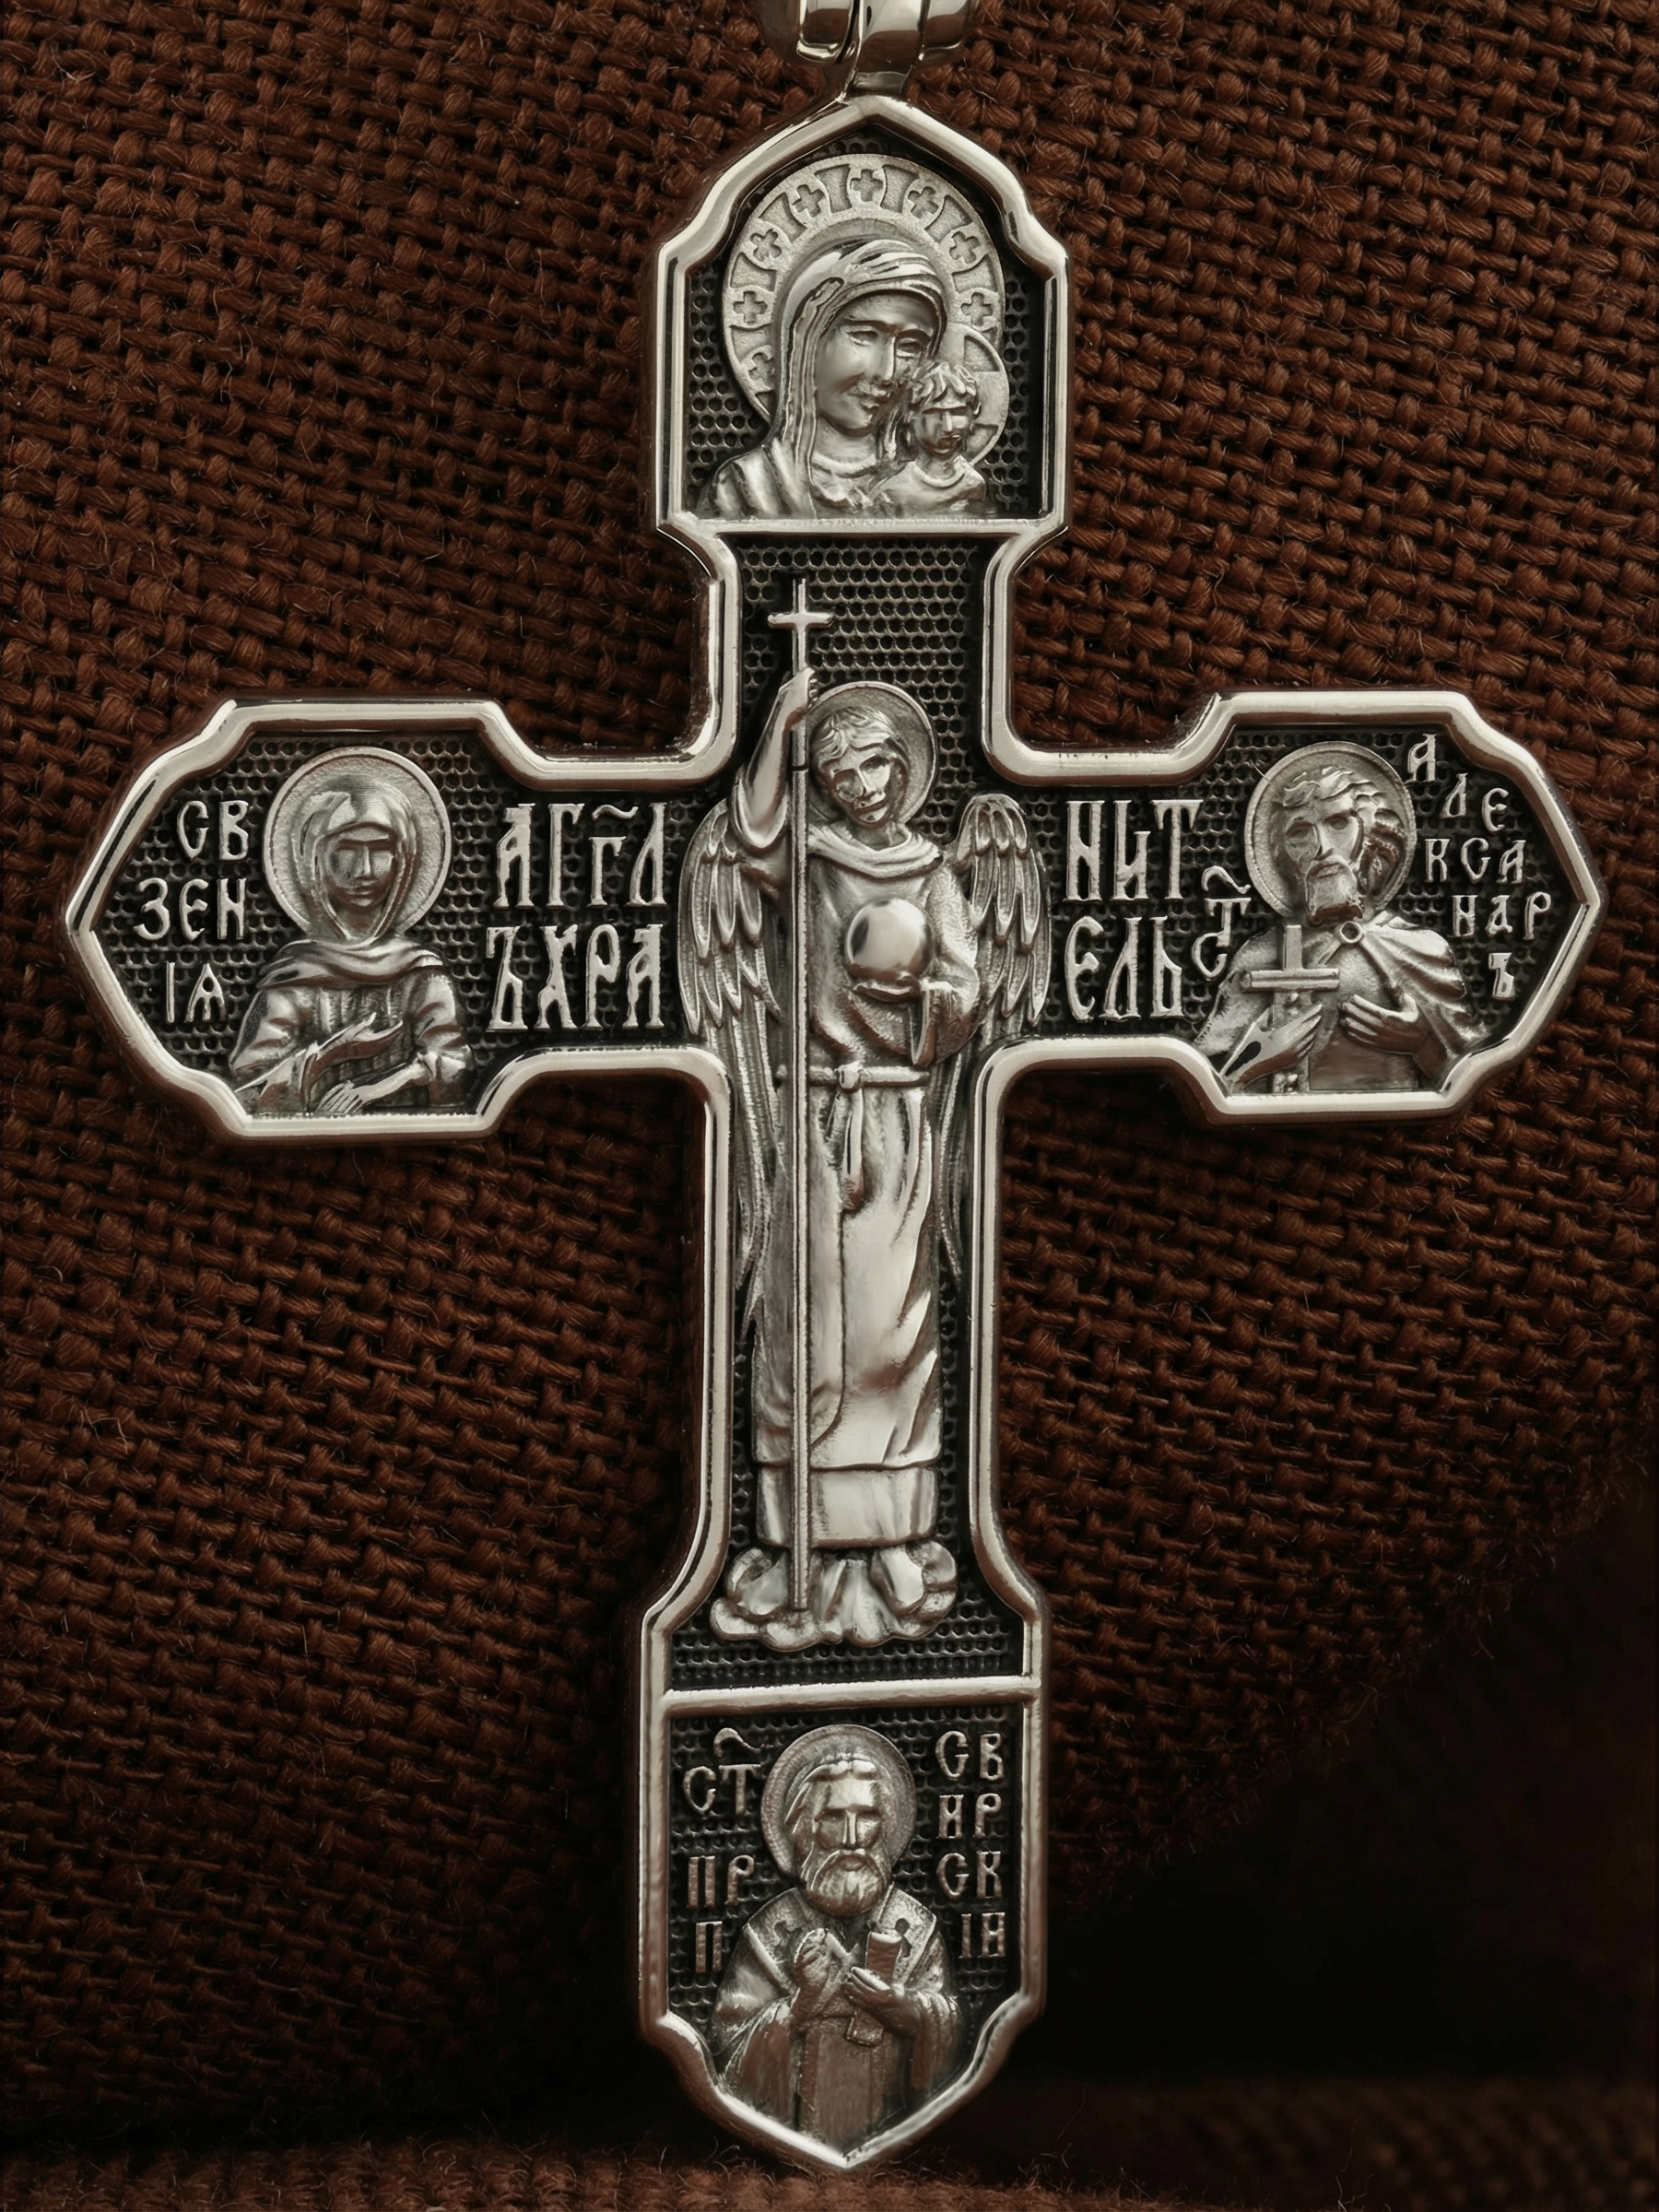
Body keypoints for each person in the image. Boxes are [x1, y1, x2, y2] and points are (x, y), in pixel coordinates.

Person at [712, 1729, 957, 2149]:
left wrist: (908, 2010)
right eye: (833, 1818)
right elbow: (727, 2057)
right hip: (780, 2140)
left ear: (887, 1824)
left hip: (900, 2132)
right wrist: (799, 2007)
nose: (852, 1838)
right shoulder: (769, 1933)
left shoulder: (915, 1928)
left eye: (868, 1817)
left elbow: (953, 2034)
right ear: (804, 1829)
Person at [1196, 753, 1484, 1093]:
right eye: (1300, 833)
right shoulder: (1259, 958)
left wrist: (1423, 1044)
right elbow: (1210, 1083)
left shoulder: (1421, 949)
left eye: (1338, 824)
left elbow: (1470, 1073)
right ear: (1283, 856)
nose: (1321, 848)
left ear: (1373, 835)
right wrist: (1257, 1061)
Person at [230, 759, 471, 1116]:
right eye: (346, 850)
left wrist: (383, 1085)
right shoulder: (294, 979)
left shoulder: (422, 975)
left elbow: (456, 1065)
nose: (364, 871)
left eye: (381, 849)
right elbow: (249, 1093)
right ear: (314, 859)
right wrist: (333, 1054)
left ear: (404, 860)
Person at [700, 238, 946, 519]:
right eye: (865, 336)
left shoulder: (933, 483)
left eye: (910, 346)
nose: (886, 374)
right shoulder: (749, 487)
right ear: (810, 342)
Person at [877, 359, 989, 513]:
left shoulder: (974, 484)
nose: (948, 428)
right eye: (935, 415)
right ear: (910, 418)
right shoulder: (892, 491)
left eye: (957, 413)